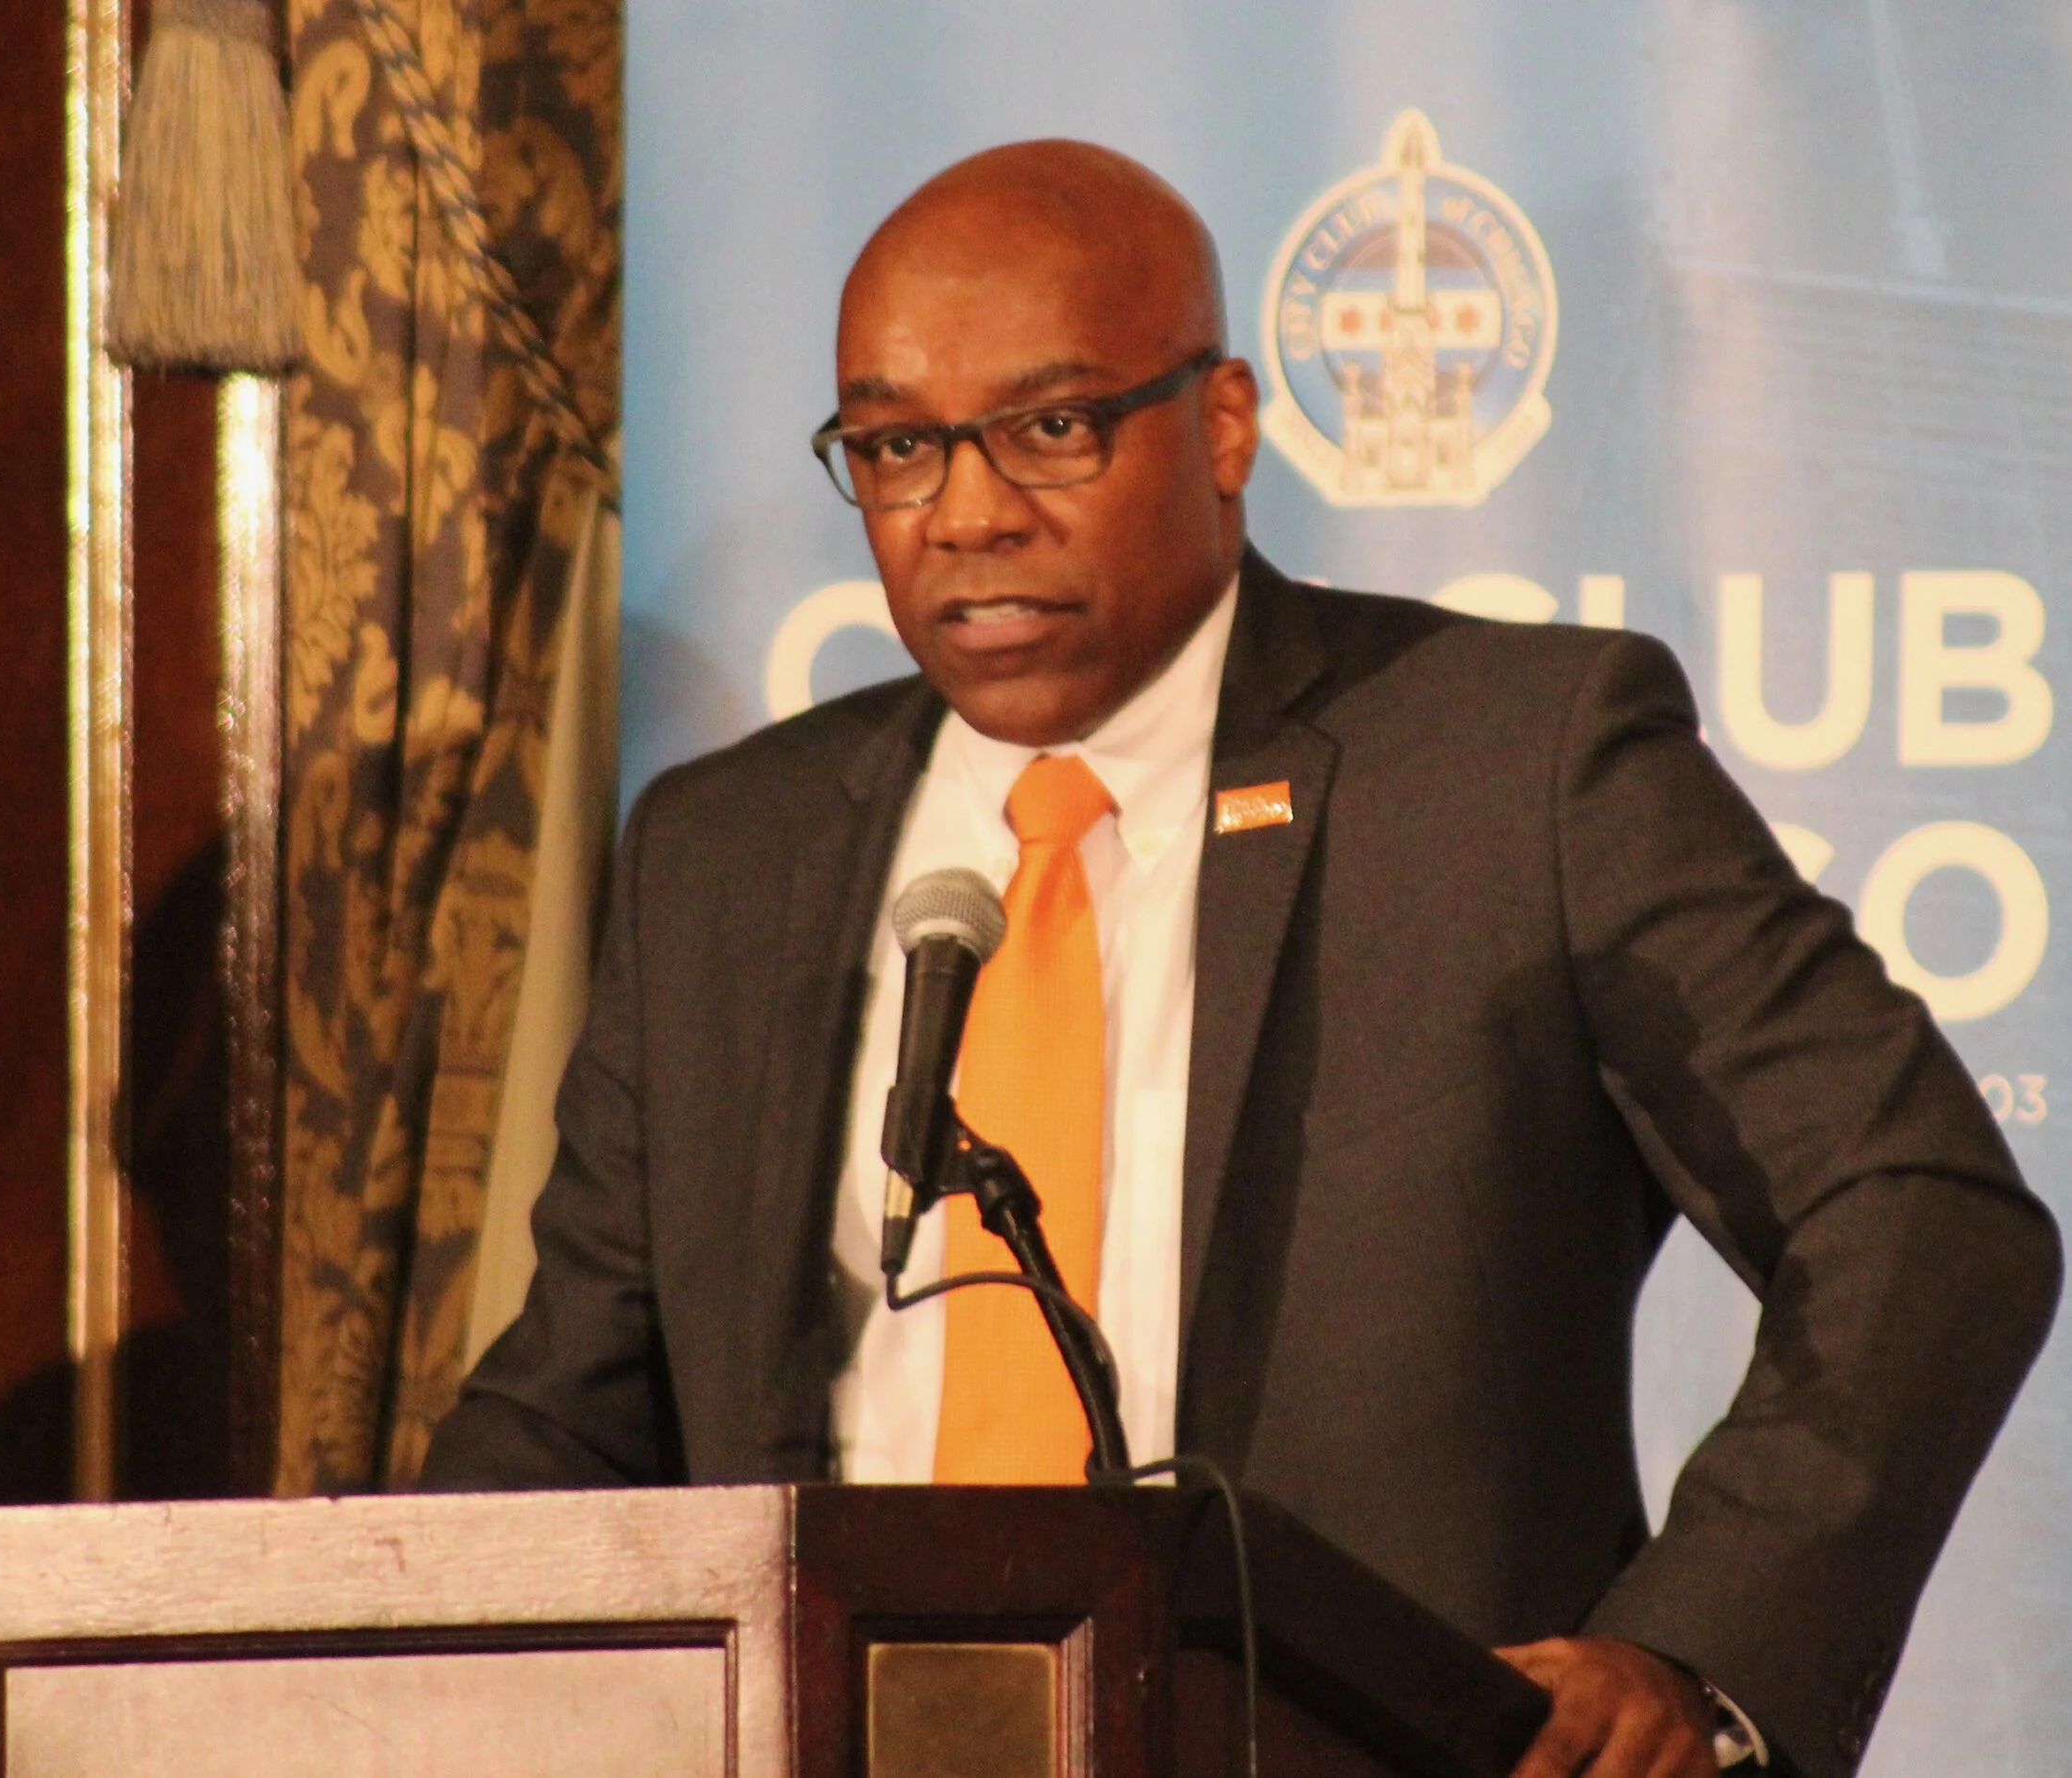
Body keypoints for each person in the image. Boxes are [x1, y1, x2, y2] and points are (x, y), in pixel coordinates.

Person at [421, 141, 2060, 1778]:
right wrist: (363, 1634)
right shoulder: (729, 853)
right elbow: (578, 1402)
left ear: (1221, 424)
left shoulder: (1517, 766)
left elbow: (1922, 1212)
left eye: (1051, 428)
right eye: (898, 445)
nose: (967, 511)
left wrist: (1694, 1645)